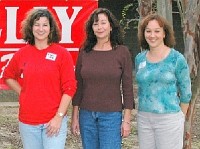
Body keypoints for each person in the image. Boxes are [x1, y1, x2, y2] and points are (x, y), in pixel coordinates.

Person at [3, 8, 77, 149]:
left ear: (51, 28)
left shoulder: (62, 54)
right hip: (28, 122)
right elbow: (8, 76)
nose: (41, 29)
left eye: (45, 25)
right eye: (37, 24)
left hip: (53, 121)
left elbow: (70, 88)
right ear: (31, 27)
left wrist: (59, 116)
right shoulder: (22, 53)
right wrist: (23, 92)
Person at [71, 8, 135, 149]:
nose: (99, 27)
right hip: (86, 116)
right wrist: (75, 116)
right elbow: (78, 86)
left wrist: (127, 120)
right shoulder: (84, 51)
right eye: (95, 24)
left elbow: (127, 88)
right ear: (91, 28)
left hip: (111, 116)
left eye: (103, 23)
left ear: (111, 26)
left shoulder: (122, 52)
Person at [135, 13, 192, 149]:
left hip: (169, 119)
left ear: (164, 34)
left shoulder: (176, 59)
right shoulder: (140, 58)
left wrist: (179, 117)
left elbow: (186, 92)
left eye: (157, 31)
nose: (152, 35)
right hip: (144, 119)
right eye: (148, 31)